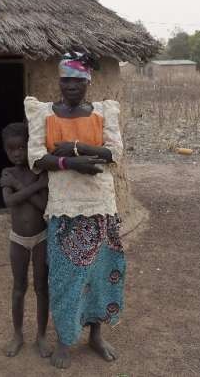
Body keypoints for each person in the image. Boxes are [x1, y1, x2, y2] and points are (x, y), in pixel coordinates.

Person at [24, 52, 126, 370]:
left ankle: (95, 335)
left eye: (77, 80)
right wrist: (71, 163)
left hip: (100, 206)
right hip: (64, 208)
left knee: (99, 276)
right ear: (59, 81)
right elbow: (37, 157)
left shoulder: (102, 113)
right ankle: (64, 340)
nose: (71, 86)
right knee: (65, 278)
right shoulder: (44, 114)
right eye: (66, 80)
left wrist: (78, 149)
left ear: (87, 83)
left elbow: (115, 153)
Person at [0, 122, 52, 358]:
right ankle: (17, 334)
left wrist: (22, 188)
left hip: (41, 238)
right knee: (19, 288)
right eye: (11, 149)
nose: (17, 153)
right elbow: (9, 202)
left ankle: (41, 336)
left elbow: (44, 207)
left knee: (42, 288)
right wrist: (33, 187)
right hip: (18, 239)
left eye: (21, 147)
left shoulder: (39, 172)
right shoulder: (7, 174)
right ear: (5, 150)